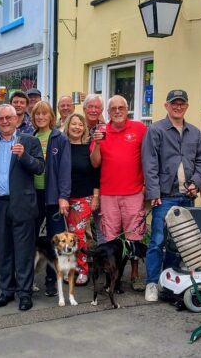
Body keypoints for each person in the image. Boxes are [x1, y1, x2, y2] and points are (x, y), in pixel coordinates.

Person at [142, 89, 201, 302]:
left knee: (178, 242)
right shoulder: (156, 130)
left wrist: (196, 184)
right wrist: (154, 192)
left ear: (187, 106)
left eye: (181, 103)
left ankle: (168, 279)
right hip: (164, 195)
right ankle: (152, 283)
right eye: (174, 103)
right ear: (166, 106)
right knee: (158, 241)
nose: (177, 107)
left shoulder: (195, 132)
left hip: (187, 196)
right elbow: (149, 162)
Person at [0, 104, 44, 311]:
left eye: (8, 118)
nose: (4, 122)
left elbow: (39, 168)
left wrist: (24, 156)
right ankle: (6, 291)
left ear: (16, 119)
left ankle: (24, 293)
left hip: (22, 205)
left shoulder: (29, 141)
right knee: (4, 250)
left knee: (24, 251)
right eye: (0, 118)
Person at [90, 95, 148, 291]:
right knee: (111, 237)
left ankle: (135, 274)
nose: (117, 111)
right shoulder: (101, 131)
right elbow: (95, 163)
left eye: (121, 107)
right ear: (108, 112)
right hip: (108, 193)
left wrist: (148, 183)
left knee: (134, 236)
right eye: (113, 108)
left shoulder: (139, 128)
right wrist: (97, 143)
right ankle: (114, 277)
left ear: (127, 109)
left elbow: (149, 156)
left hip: (133, 192)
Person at [31, 100, 71, 297]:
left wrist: (64, 196)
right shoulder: (30, 137)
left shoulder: (59, 138)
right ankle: (28, 278)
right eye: (37, 114)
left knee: (56, 240)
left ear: (50, 117)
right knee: (31, 237)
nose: (40, 117)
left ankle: (50, 280)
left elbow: (64, 170)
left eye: (44, 114)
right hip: (34, 195)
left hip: (54, 196)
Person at [63, 113, 98, 285]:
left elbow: (96, 172)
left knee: (78, 235)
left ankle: (82, 269)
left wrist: (96, 197)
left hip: (83, 198)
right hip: (64, 198)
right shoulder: (62, 146)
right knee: (65, 236)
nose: (77, 127)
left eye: (80, 125)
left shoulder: (89, 147)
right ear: (67, 126)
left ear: (84, 128)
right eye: (73, 124)